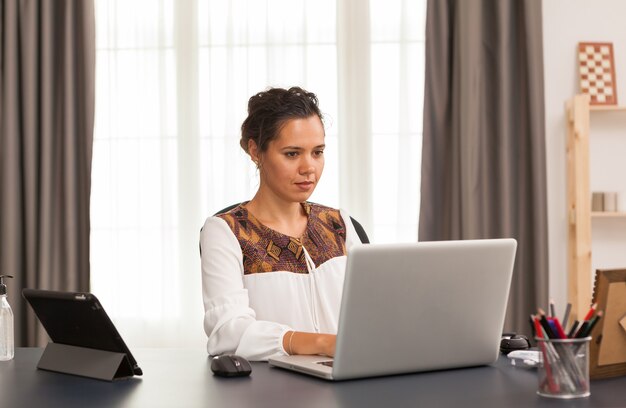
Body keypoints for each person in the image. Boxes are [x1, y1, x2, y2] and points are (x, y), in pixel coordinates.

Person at [200, 86, 362, 361]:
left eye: (317, 152)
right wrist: (321, 342)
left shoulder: (339, 223)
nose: (308, 167)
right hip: (272, 391)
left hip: (349, 380)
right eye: (291, 153)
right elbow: (228, 332)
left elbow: (372, 310)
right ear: (255, 150)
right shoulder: (226, 232)